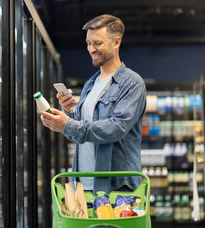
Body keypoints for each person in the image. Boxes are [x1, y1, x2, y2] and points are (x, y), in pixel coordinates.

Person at [38, 14, 147, 194]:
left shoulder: (132, 83)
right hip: (83, 186)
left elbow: (116, 128)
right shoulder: (91, 84)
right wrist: (68, 113)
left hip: (117, 189)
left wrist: (68, 125)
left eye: (97, 43)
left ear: (116, 42)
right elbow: (80, 133)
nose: (91, 49)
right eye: (89, 43)